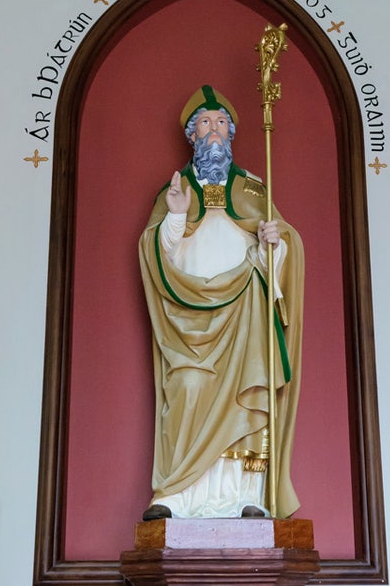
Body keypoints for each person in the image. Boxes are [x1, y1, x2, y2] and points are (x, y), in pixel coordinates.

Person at [138, 85, 305, 521]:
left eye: (221, 123)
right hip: (188, 318)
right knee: (188, 388)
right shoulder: (173, 191)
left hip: (245, 313)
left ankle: (245, 496)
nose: (214, 131)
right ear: (192, 135)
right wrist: (175, 215)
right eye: (205, 123)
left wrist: (275, 243)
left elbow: (280, 255)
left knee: (247, 393)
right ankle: (178, 495)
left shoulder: (252, 189)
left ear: (231, 134)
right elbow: (158, 253)